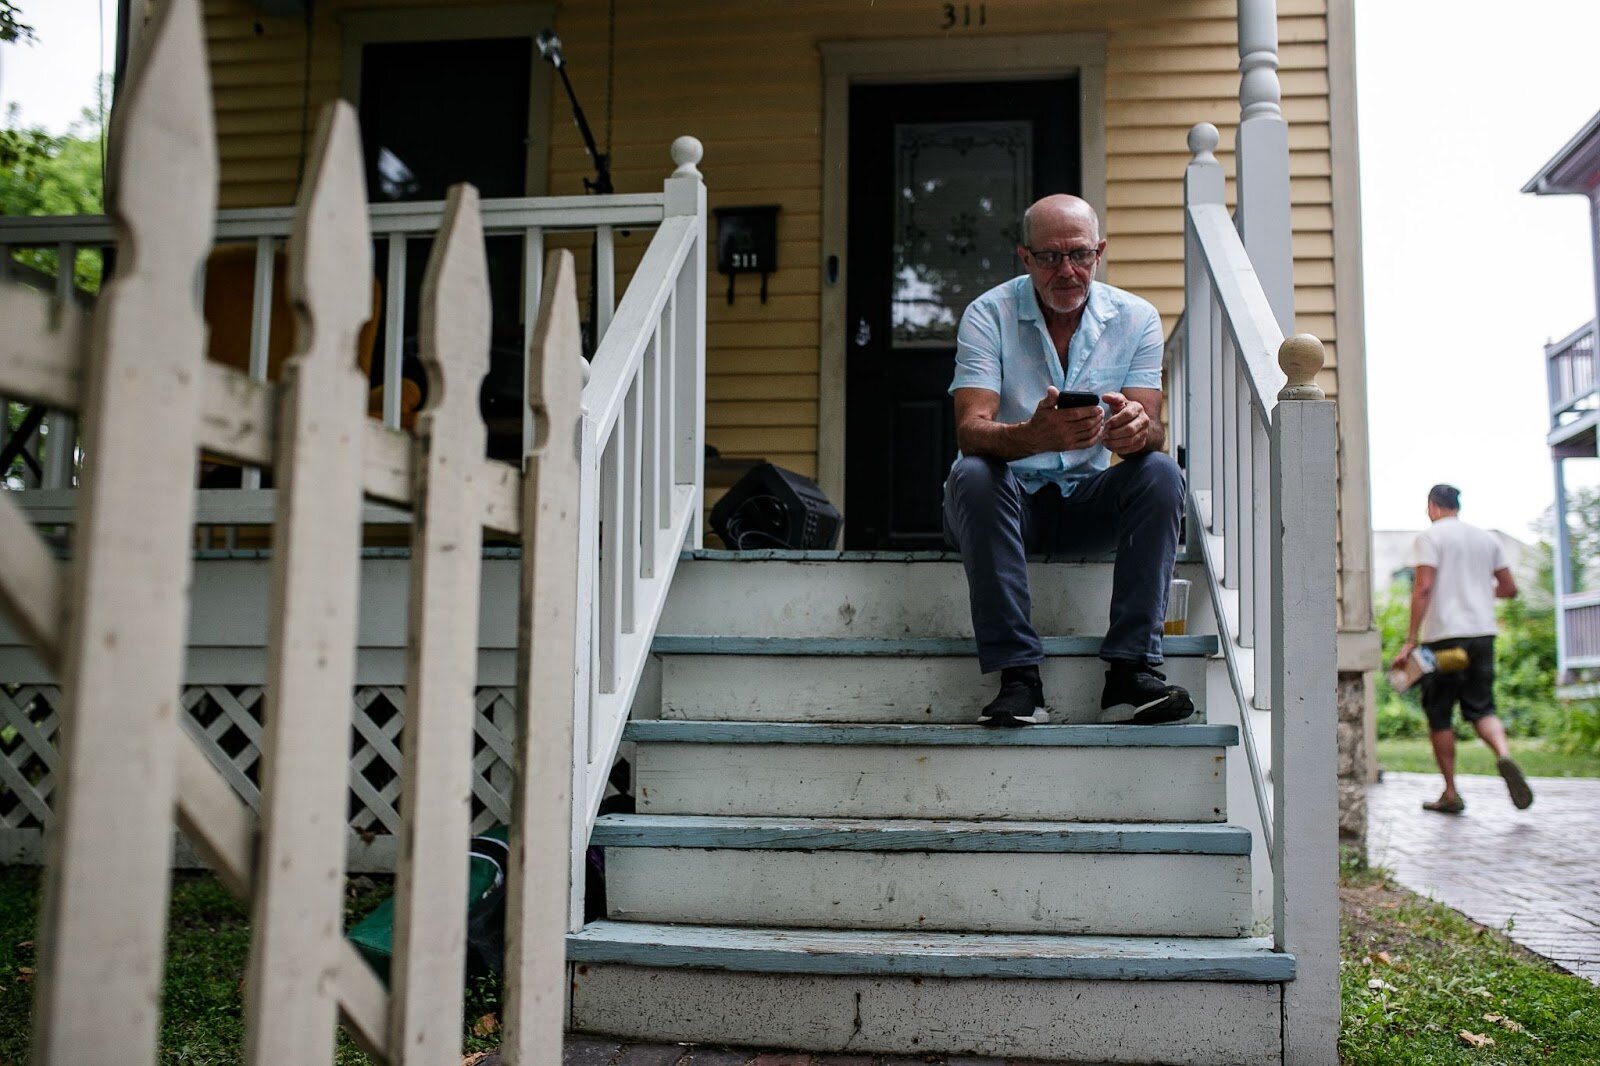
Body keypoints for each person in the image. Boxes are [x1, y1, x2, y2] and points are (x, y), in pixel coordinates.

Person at [942, 193, 1191, 728]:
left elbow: (1150, 432)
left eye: (1079, 254)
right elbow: (970, 431)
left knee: (1162, 473)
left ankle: (1131, 672)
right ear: (1024, 257)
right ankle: (1019, 679)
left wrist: (1135, 431)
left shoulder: (1137, 317)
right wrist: (1035, 436)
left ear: (1099, 253)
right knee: (973, 473)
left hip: (1086, 503)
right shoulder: (989, 313)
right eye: (1049, 257)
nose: (1066, 270)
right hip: (1006, 507)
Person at [1393, 484, 1533, 813]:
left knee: (1440, 713)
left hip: (1444, 639)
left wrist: (1410, 639)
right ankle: (1503, 754)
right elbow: (1509, 588)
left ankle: (1451, 792)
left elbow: (1424, 586)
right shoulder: (1487, 539)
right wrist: (1481, 595)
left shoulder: (1430, 538)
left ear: (1432, 506)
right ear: (1457, 505)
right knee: (1482, 707)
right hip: (1482, 635)